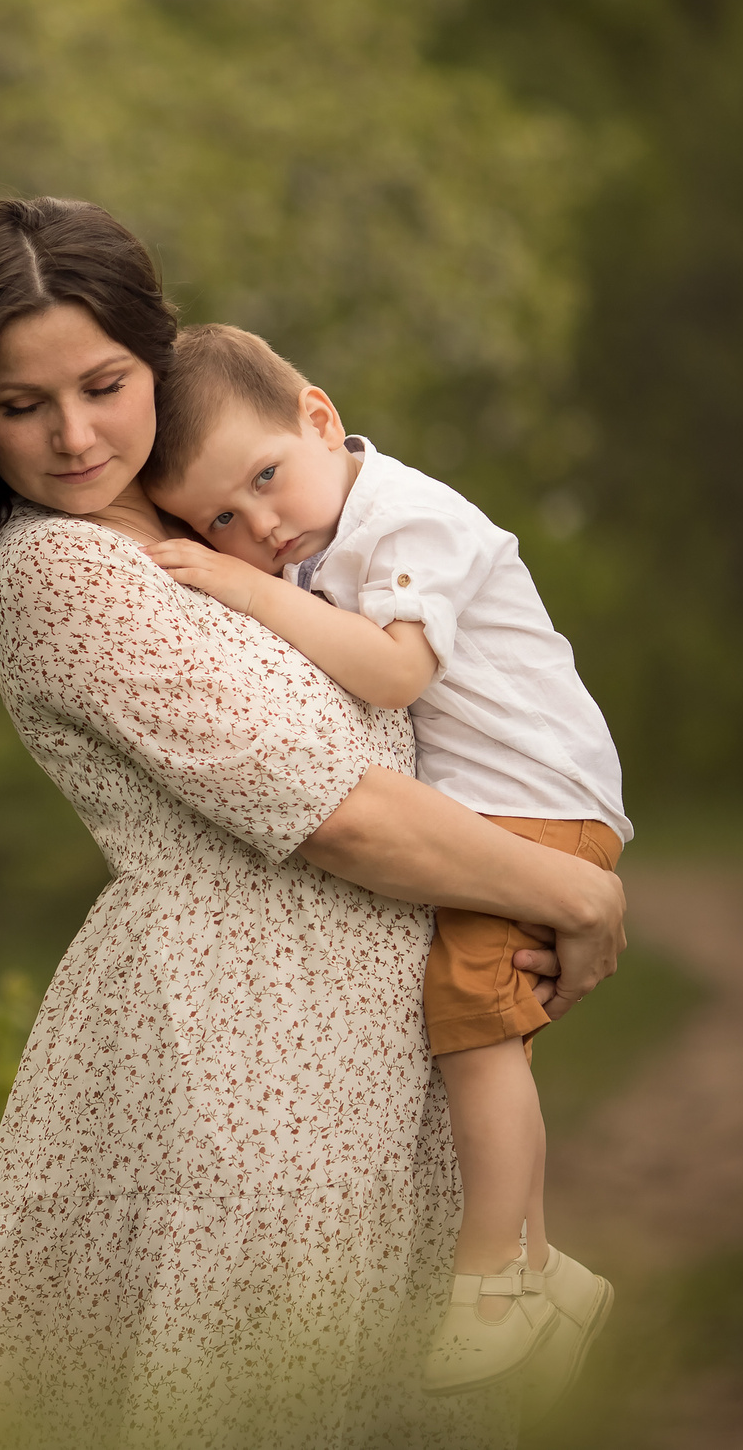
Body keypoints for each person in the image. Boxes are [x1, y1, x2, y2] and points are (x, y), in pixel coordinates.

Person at [0, 197, 626, 1449]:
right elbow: (337, 815)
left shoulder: (232, 521)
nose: (75, 435)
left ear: (157, 360)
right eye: (20, 405)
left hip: (369, 1050)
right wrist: (577, 895)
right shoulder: (65, 573)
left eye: (102, 385)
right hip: (244, 1059)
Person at [139, 324, 628, 1401]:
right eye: (220, 516)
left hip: (535, 804)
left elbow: (397, 674)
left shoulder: (405, 518)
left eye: (265, 480)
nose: (258, 526)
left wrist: (245, 588)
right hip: (498, 809)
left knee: (472, 1028)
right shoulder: (321, 530)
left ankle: (495, 1284)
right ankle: (547, 1280)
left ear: (319, 417)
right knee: (487, 1035)